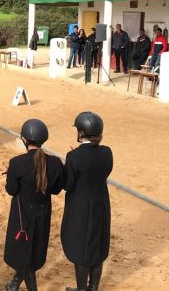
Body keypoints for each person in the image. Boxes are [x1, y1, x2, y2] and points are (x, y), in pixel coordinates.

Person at [4, 119, 64, 291]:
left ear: (25, 140)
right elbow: (56, 189)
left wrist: (12, 175)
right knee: (32, 252)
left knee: (25, 255)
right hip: (43, 214)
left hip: (23, 215)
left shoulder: (17, 163)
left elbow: (11, 190)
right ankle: (15, 282)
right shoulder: (55, 163)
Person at [62, 112, 113, 291]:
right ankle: (93, 288)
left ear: (81, 132)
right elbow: (105, 171)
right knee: (97, 249)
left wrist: (72, 158)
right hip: (101, 205)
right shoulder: (107, 152)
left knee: (81, 249)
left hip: (81, 208)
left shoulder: (73, 157)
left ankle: (82, 289)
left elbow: (68, 185)